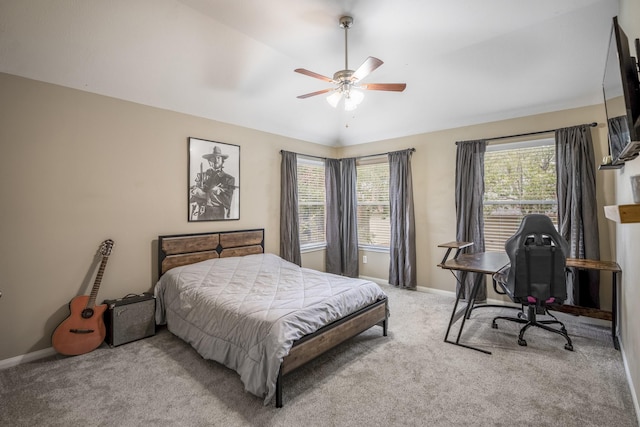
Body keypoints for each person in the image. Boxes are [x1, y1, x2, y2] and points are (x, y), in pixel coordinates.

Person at [190, 146, 236, 220]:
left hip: (216, 216)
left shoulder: (229, 179)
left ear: (222, 160)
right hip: (200, 214)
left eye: (218, 158)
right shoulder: (201, 175)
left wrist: (203, 195)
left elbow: (227, 201)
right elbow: (192, 196)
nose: (216, 160)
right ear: (209, 161)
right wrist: (212, 194)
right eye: (213, 158)